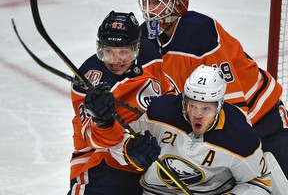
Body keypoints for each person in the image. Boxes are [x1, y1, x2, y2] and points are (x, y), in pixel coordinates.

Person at [137, 0, 288, 178]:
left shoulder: (201, 33)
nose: (151, 9)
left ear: (178, 2)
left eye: (158, 2)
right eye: (147, 2)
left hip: (262, 117)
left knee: (278, 181)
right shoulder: (143, 37)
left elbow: (233, 105)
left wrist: (226, 147)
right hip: (206, 118)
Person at [106, 65, 271, 194]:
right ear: (184, 101)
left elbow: (261, 183)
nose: (197, 115)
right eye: (192, 106)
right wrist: (128, 150)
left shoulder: (240, 137)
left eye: (206, 109)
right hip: (153, 191)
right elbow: (118, 143)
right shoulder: (161, 113)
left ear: (220, 106)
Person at [67, 11, 176, 195]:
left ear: (136, 48)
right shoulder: (88, 79)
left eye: (123, 53)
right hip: (101, 163)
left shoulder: (150, 57)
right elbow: (92, 139)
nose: (115, 61)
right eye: (108, 52)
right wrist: (103, 120)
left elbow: (170, 93)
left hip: (151, 155)